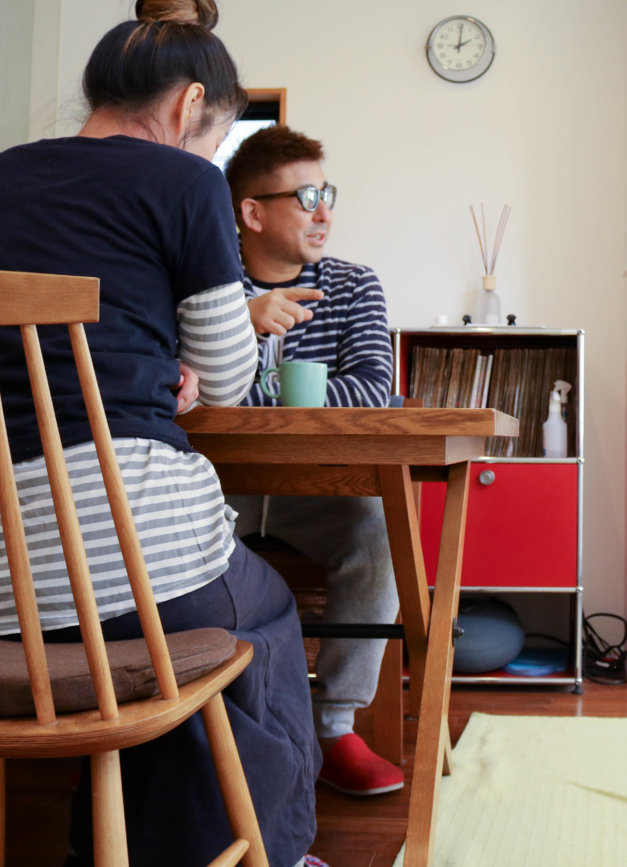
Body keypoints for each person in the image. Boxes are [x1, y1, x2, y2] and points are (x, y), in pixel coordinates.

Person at [0, 2, 323, 865]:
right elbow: (222, 379)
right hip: (129, 555)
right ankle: (274, 852)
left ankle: (113, 845)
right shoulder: (184, 183)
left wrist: (145, 360)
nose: (209, 152)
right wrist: (179, 368)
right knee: (259, 614)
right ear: (188, 108)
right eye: (214, 136)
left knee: (151, 632)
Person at [223, 125, 403, 797]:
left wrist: (265, 393)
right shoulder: (210, 290)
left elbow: (372, 391)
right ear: (252, 212)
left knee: (381, 529)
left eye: (326, 192)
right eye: (306, 196)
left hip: (321, 489)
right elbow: (182, 392)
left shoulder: (354, 285)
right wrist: (241, 319)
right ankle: (212, 718)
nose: (325, 211)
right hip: (219, 488)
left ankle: (333, 726)